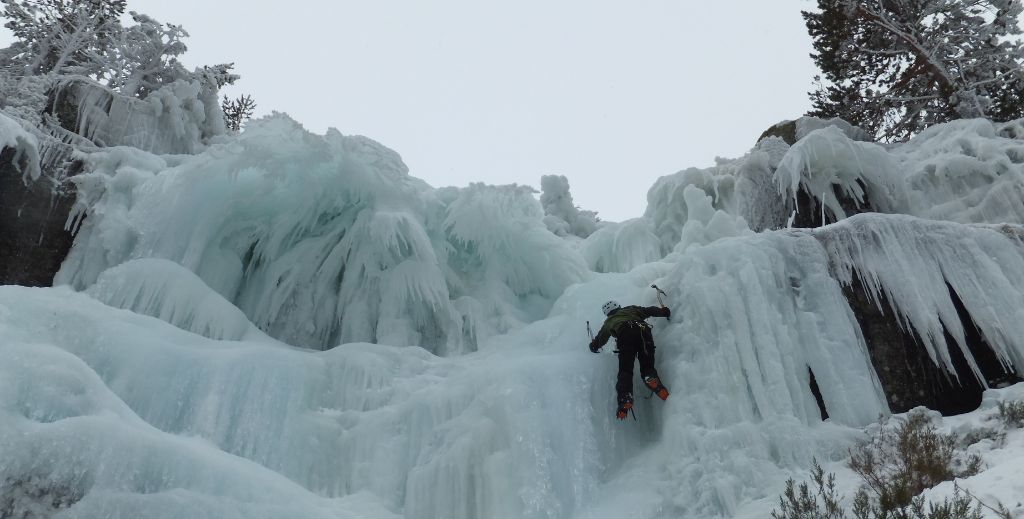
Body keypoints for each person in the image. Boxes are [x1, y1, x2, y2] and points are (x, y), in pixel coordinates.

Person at [589, 300, 671, 420]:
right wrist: (663, 312)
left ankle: (625, 396)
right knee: (647, 365)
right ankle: (651, 378)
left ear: (607, 313)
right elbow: (649, 310)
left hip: (625, 333)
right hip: (643, 331)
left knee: (625, 369)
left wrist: (594, 346)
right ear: (618, 306)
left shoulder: (608, 322)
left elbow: (601, 339)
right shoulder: (632, 309)